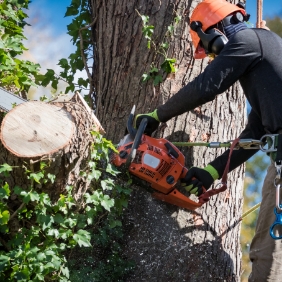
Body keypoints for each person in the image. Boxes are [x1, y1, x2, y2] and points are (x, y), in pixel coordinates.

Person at [134, 0, 282, 281]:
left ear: (214, 33)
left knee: (269, 260)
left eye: (210, 52)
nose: (214, 59)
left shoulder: (250, 40)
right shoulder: (266, 52)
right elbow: (255, 134)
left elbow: (207, 86)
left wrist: (156, 115)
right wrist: (211, 172)